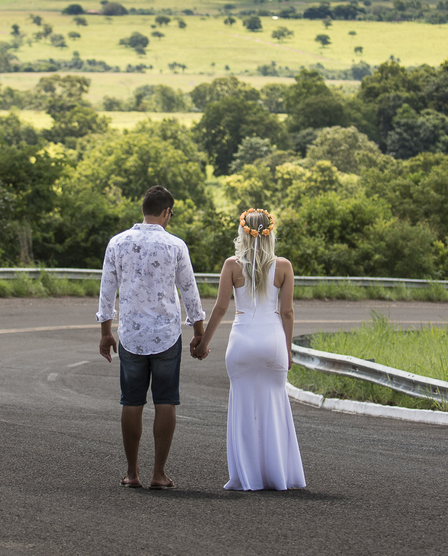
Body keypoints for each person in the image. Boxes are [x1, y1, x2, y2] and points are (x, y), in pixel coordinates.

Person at [97, 185, 206, 491]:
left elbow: (107, 291)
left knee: (131, 402)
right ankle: (159, 473)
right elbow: (190, 291)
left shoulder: (117, 243)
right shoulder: (175, 245)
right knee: (165, 401)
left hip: (131, 335)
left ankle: (132, 473)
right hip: (166, 336)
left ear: (143, 209)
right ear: (167, 211)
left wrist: (106, 333)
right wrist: (199, 333)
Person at [191, 208, 306, 491]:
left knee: (243, 408)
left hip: (242, 342)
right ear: (270, 232)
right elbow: (287, 312)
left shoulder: (232, 265)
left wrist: (203, 343)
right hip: (272, 342)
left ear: (243, 232)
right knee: (274, 406)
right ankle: (278, 475)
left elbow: (220, 308)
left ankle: (247, 477)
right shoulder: (284, 266)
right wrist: (288, 350)